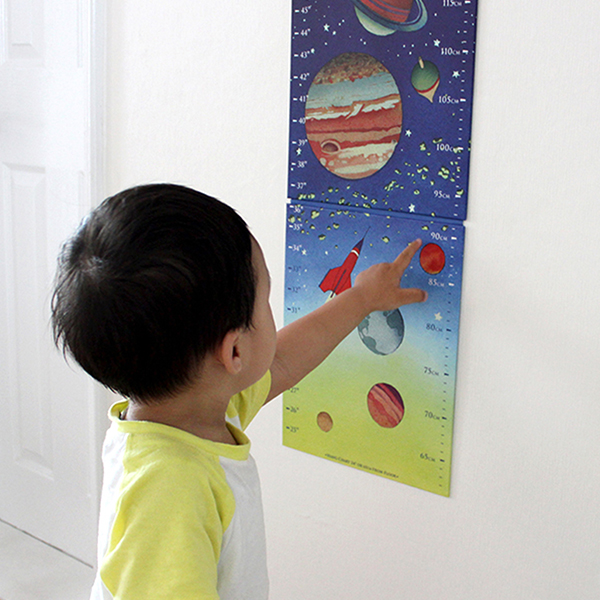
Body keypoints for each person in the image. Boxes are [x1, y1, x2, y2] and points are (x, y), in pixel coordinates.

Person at [51, 183, 427, 600]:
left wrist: (361, 299)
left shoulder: (197, 406)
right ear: (233, 351)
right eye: (266, 300)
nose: (271, 312)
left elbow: (283, 362)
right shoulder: (170, 490)